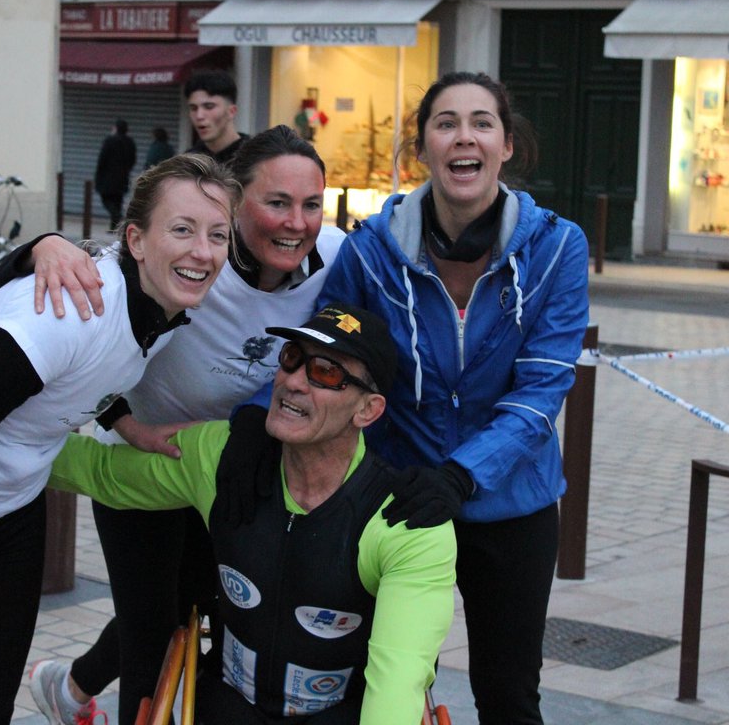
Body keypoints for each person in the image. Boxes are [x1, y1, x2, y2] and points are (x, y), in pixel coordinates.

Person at [0, 153, 239, 725]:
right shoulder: (71, 312)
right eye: (181, 230)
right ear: (135, 239)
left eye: (217, 235)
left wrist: (131, 427)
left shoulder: (161, 305)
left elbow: (96, 376)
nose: (202, 251)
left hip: (11, 518)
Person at [0, 125, 346, 725]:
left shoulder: (336, 256)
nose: (296, 222)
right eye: (277, 202)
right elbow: (86, 329)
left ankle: (70, 686)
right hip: (145, 461)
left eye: (311, 204)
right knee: (152, 633)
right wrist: (43, 246)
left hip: (234, 469)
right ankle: (88, 692)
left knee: (216, 617)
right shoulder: (193, 257)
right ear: (235, 204)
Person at [314, 72, 590, 724]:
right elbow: (330, 354)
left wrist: (463, 475)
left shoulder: (557, 249)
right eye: (445, 122)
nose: (464, 136)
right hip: (399, 498)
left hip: (512, 503)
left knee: (508, 693)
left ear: (506, 145)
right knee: (384, 685)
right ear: (422, 147)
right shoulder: (369, 251)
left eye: (481, 122)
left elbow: (545, 384)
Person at [45, 303, 456, 725]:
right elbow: (100, 473)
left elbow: (398, 683)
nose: (294, 381)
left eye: (326, 373)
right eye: (292, 359)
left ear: (367, 410)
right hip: (226, 708)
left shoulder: (406, 522)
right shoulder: (221, 458)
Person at [185, 69, 248, 164]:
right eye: (193, 108)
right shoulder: (188, 162)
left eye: (209, 107)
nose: (199, 115)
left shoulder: (254, 160)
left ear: (231, 111)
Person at [95, 118, 138, 230]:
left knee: (107, 199)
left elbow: (102, 159)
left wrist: (99, 175)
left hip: (108, 176)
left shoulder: (110, 140)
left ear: (116, 128)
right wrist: (126, 170)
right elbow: (133, 159)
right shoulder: (130, 142)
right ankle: (114, 227)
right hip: (123, 176)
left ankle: (117, 218)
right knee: (117, 201)